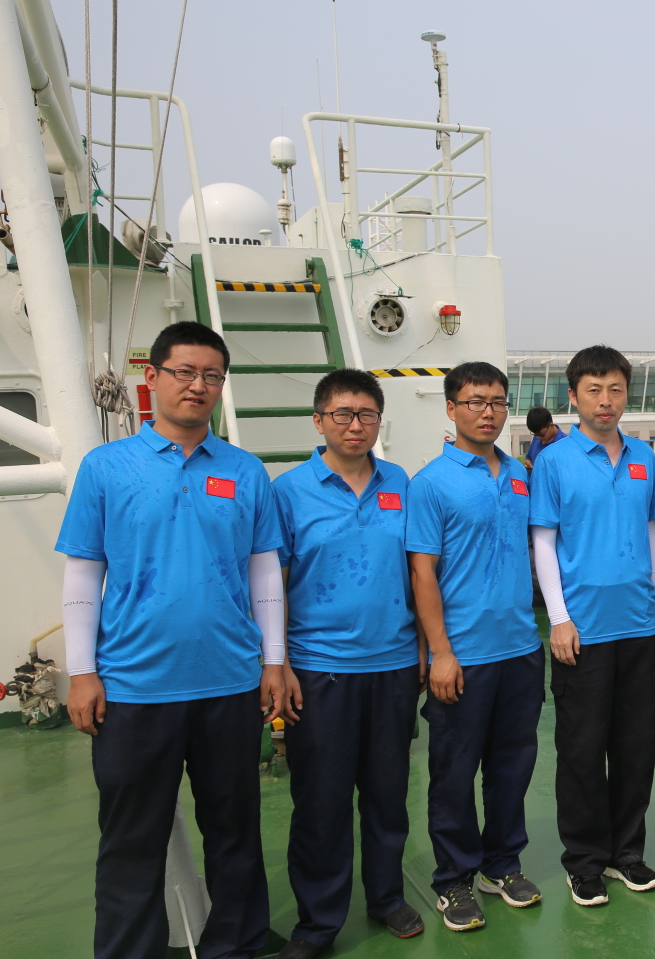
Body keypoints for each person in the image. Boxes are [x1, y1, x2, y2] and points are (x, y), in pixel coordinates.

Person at [57, 321, 284, 959]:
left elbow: (264, 571)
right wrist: (82, 671)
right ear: (152, 377)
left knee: (234, 833)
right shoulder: (106, 468)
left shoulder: (245, 470)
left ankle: (234, 945)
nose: (198, 385)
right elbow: (83, 572)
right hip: (133, 688)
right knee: (131, 842)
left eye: (212, 375)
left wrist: (273, 661)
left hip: (230, 684)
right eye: (184, 372)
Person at [271, 369, 426, 958]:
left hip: (392, 666)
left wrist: (422, 647)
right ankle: (318, 923)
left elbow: (417, 570)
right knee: (322, 801)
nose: (355, 425)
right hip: (319, 669)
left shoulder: (400, 483)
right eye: (342, 414)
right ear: (319, 421)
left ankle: (386, 897)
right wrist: (278, 662)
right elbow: (273, 584)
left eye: (366, 414)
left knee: (388, 794)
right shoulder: (289, 492)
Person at [529, 346, 655, 908]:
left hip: (637, 623)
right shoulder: (554, 461)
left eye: (615, 389)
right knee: (582, 750)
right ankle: (585, 861)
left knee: (636, 747)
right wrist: (559, 619)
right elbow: (543, 542)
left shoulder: (643, 457)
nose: (605, 401)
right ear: (574, 396)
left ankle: (626, 854)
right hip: (582, 629)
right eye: (594, 390)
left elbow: (652, 529)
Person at [406, 361, 545, 932]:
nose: (488, 412)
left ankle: (502, 865)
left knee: (512, 766)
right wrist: (440, 652)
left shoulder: (519, 474)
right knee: (454, 773)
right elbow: (422, 572)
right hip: (463, 654)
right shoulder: (431, 483)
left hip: (521, 648)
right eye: (474, 402)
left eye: (497, 402)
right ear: (451, 408)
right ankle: (454, 879)